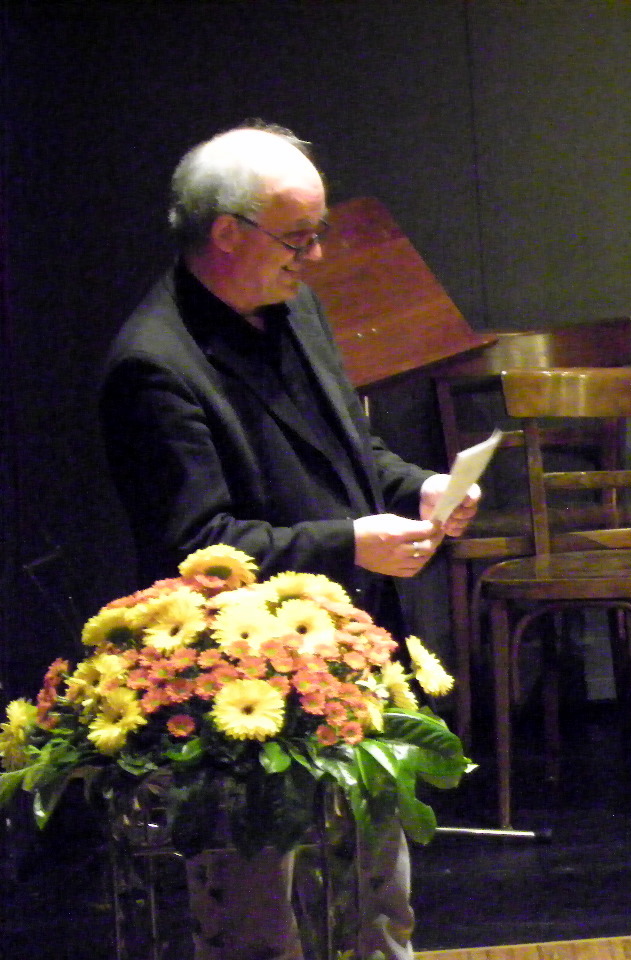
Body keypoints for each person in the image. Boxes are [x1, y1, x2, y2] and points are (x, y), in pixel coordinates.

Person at [99, 123, 479, 960]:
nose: (315, 256)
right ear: (227, 233)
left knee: (379, 910)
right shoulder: (154, 366)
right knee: (262, 932)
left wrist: (413, 487)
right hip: (245, 695)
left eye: (318, 233)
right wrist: (351, 542)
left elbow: (348, 446)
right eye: (299, 237)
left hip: (349, 657)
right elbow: (198, 550)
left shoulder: (294, 305)